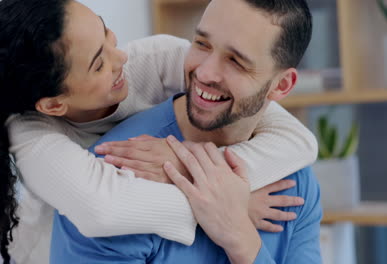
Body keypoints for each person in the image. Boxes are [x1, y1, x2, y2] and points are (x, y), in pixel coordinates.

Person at [0, 0, 317, 263]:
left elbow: (298, 141)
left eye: (107, 32)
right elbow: (101, 209)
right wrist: (223, 205)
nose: (122, 56)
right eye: (98, 64)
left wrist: (220, 189)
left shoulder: (156, 60)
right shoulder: (38, 137)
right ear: (55, 105)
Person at [49, 0, 321, 263]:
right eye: (202, 44)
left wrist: (241, 240)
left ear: (282, 85)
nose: (205, 72)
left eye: (236, 61)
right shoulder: (111, 179)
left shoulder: (292, 179)